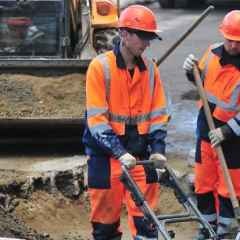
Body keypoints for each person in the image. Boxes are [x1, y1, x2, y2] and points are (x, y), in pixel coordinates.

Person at [82, 4, 169, 240]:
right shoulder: (100, 68)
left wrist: (159, 150)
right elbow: (97, 121)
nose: (147, 43)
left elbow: (158, 114)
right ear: (124, 34)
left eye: (149, 38)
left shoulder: (151, 70)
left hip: (141, 157)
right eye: (143, 37)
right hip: (106, 157)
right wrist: (119, 152)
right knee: (105, 225)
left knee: (147, 224)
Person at [183, 10, 240, 240]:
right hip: (205, 128)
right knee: (203, 184)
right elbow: (200, 79)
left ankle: (225, 231)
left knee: (229, 188)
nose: (233, 46)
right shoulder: (212, 52)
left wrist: (226, 131)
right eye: (230, 40)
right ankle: (206, 229)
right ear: (222, 35)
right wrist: (190, 70)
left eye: (238, 42)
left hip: (233, 137)